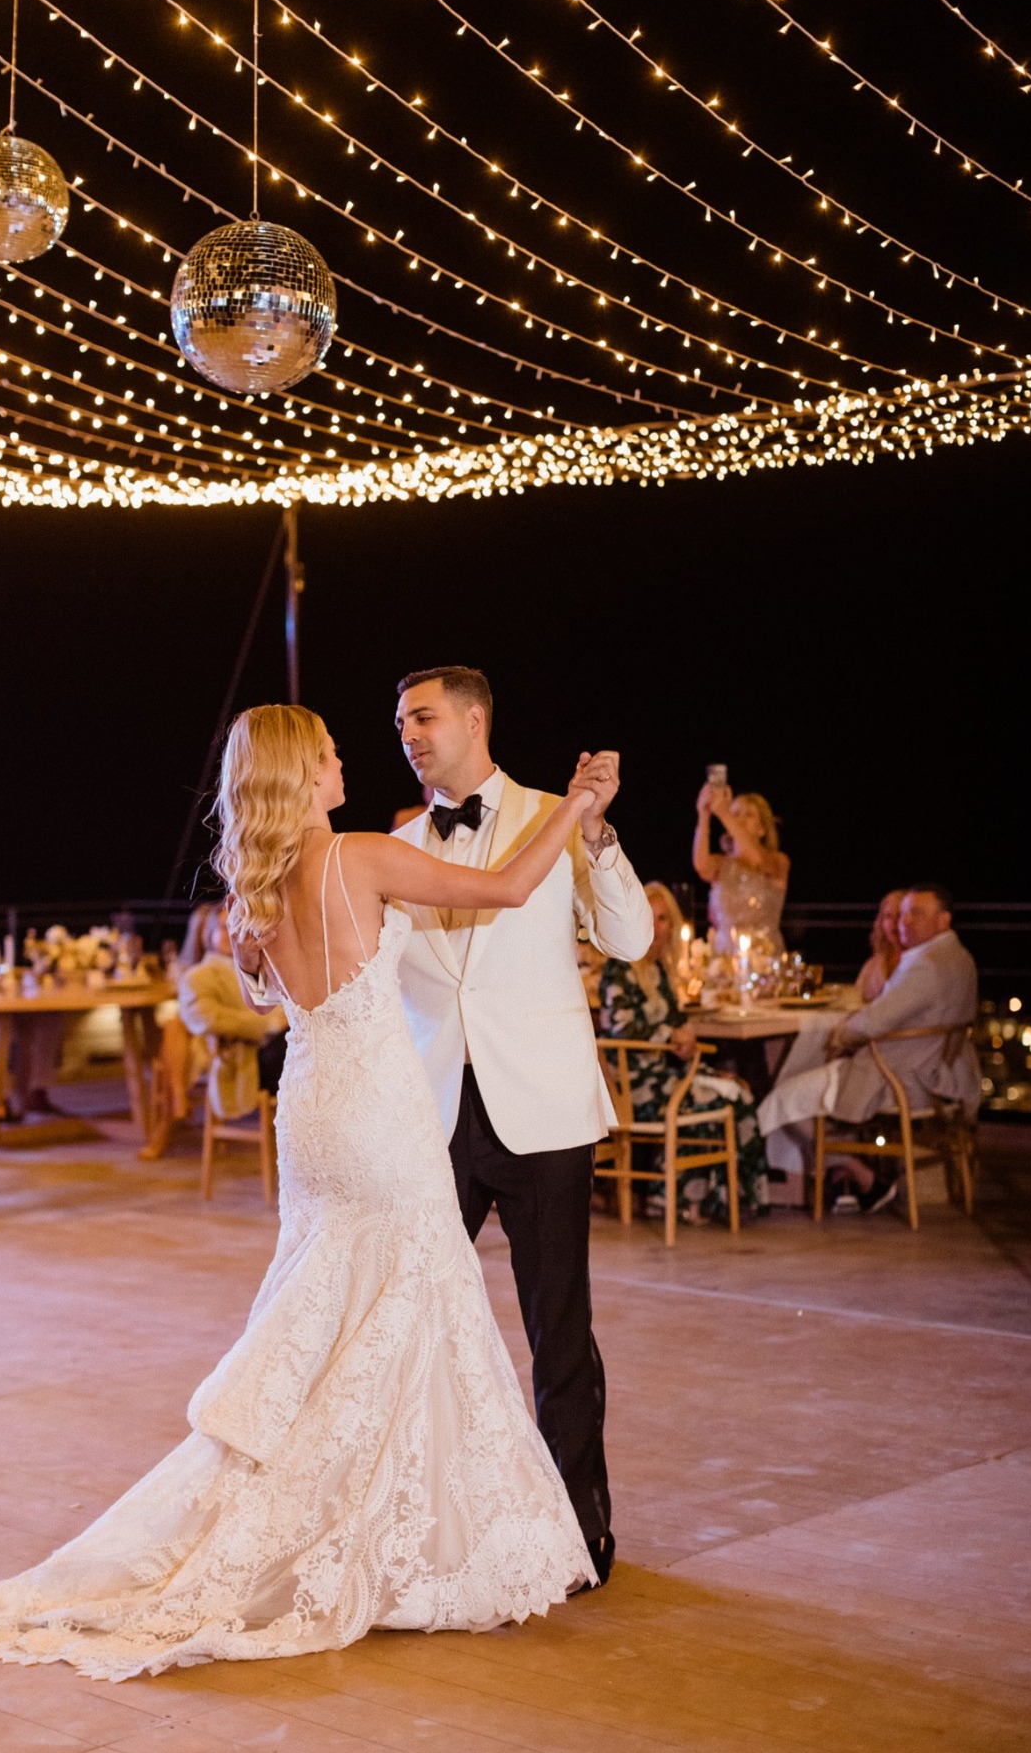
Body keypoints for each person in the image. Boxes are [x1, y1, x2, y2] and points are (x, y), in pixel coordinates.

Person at [0, 702, 602, 1679]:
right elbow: (501, 886)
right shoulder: (360, 858)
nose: (344, 763)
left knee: (328, 1314)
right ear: (299, 773)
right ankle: (398, 1543)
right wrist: (576, 802)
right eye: (330, 753)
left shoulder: (258, 888)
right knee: (407, 1312)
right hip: (377, 1118)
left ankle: (356, 1526)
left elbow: (261, 990)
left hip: (311, 1118)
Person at [390, 665, 653, 1588]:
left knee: (558, 1327)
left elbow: (628, 940)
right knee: (410, 1315)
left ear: (472, 719)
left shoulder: (559, 815)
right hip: (434, 1114)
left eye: (421, 716)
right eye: (399, 721)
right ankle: (422, 1522)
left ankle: (580, 1534)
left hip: (539, 1109)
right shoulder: (396, 840)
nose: (408, 733)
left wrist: (600, 832)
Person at [758, 885, 981, 1214]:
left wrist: (841, 1035)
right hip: (937, 1078)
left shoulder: (925, 965)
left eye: (916, 913)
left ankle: (848, 1169)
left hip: (900, 1081)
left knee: (780, 1099)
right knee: (809, 1089)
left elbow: (873, 1022)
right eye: (902, 913)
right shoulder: (961, 958)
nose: (904, 922)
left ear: (943, 920)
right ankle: (853, 1174)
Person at [599, 881, 770, 1222]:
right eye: (650, 916)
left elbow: (678, 1023)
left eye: (664, 919)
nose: (656, 927)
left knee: (737, 1091)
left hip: (670, 1072)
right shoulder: (618, 968)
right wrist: (671, 1035)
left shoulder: (659, 971)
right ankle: (678, 1200)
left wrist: (689, 1042)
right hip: (636, 1085)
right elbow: (622, 1027)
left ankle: (724, 1199)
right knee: (721, 1099)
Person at [177, 901, 287, 1116]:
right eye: (223, 927)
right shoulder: (199, 976)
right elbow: (206, 1018)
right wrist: (270, 1023)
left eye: (238, 926)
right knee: (293, 1043)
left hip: (276, 1048)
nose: (231, 933)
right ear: (208, 934)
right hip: (243, 1058)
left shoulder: (263, 969)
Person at [692, 781, 789, 954]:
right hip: (725, 958)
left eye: (749, 815)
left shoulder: (778, 861)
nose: (741, 819)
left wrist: (724, 813)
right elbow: (701, 866)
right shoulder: (721, 864)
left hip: (764, 956)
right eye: (736, 814)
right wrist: (704, 814)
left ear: (762, 829)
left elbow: (759, 860)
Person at [857, 889, 905, 1003]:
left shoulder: (922, 961)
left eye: (900, 915)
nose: (894, 922)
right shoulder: (872, 966)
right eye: (888, 916)